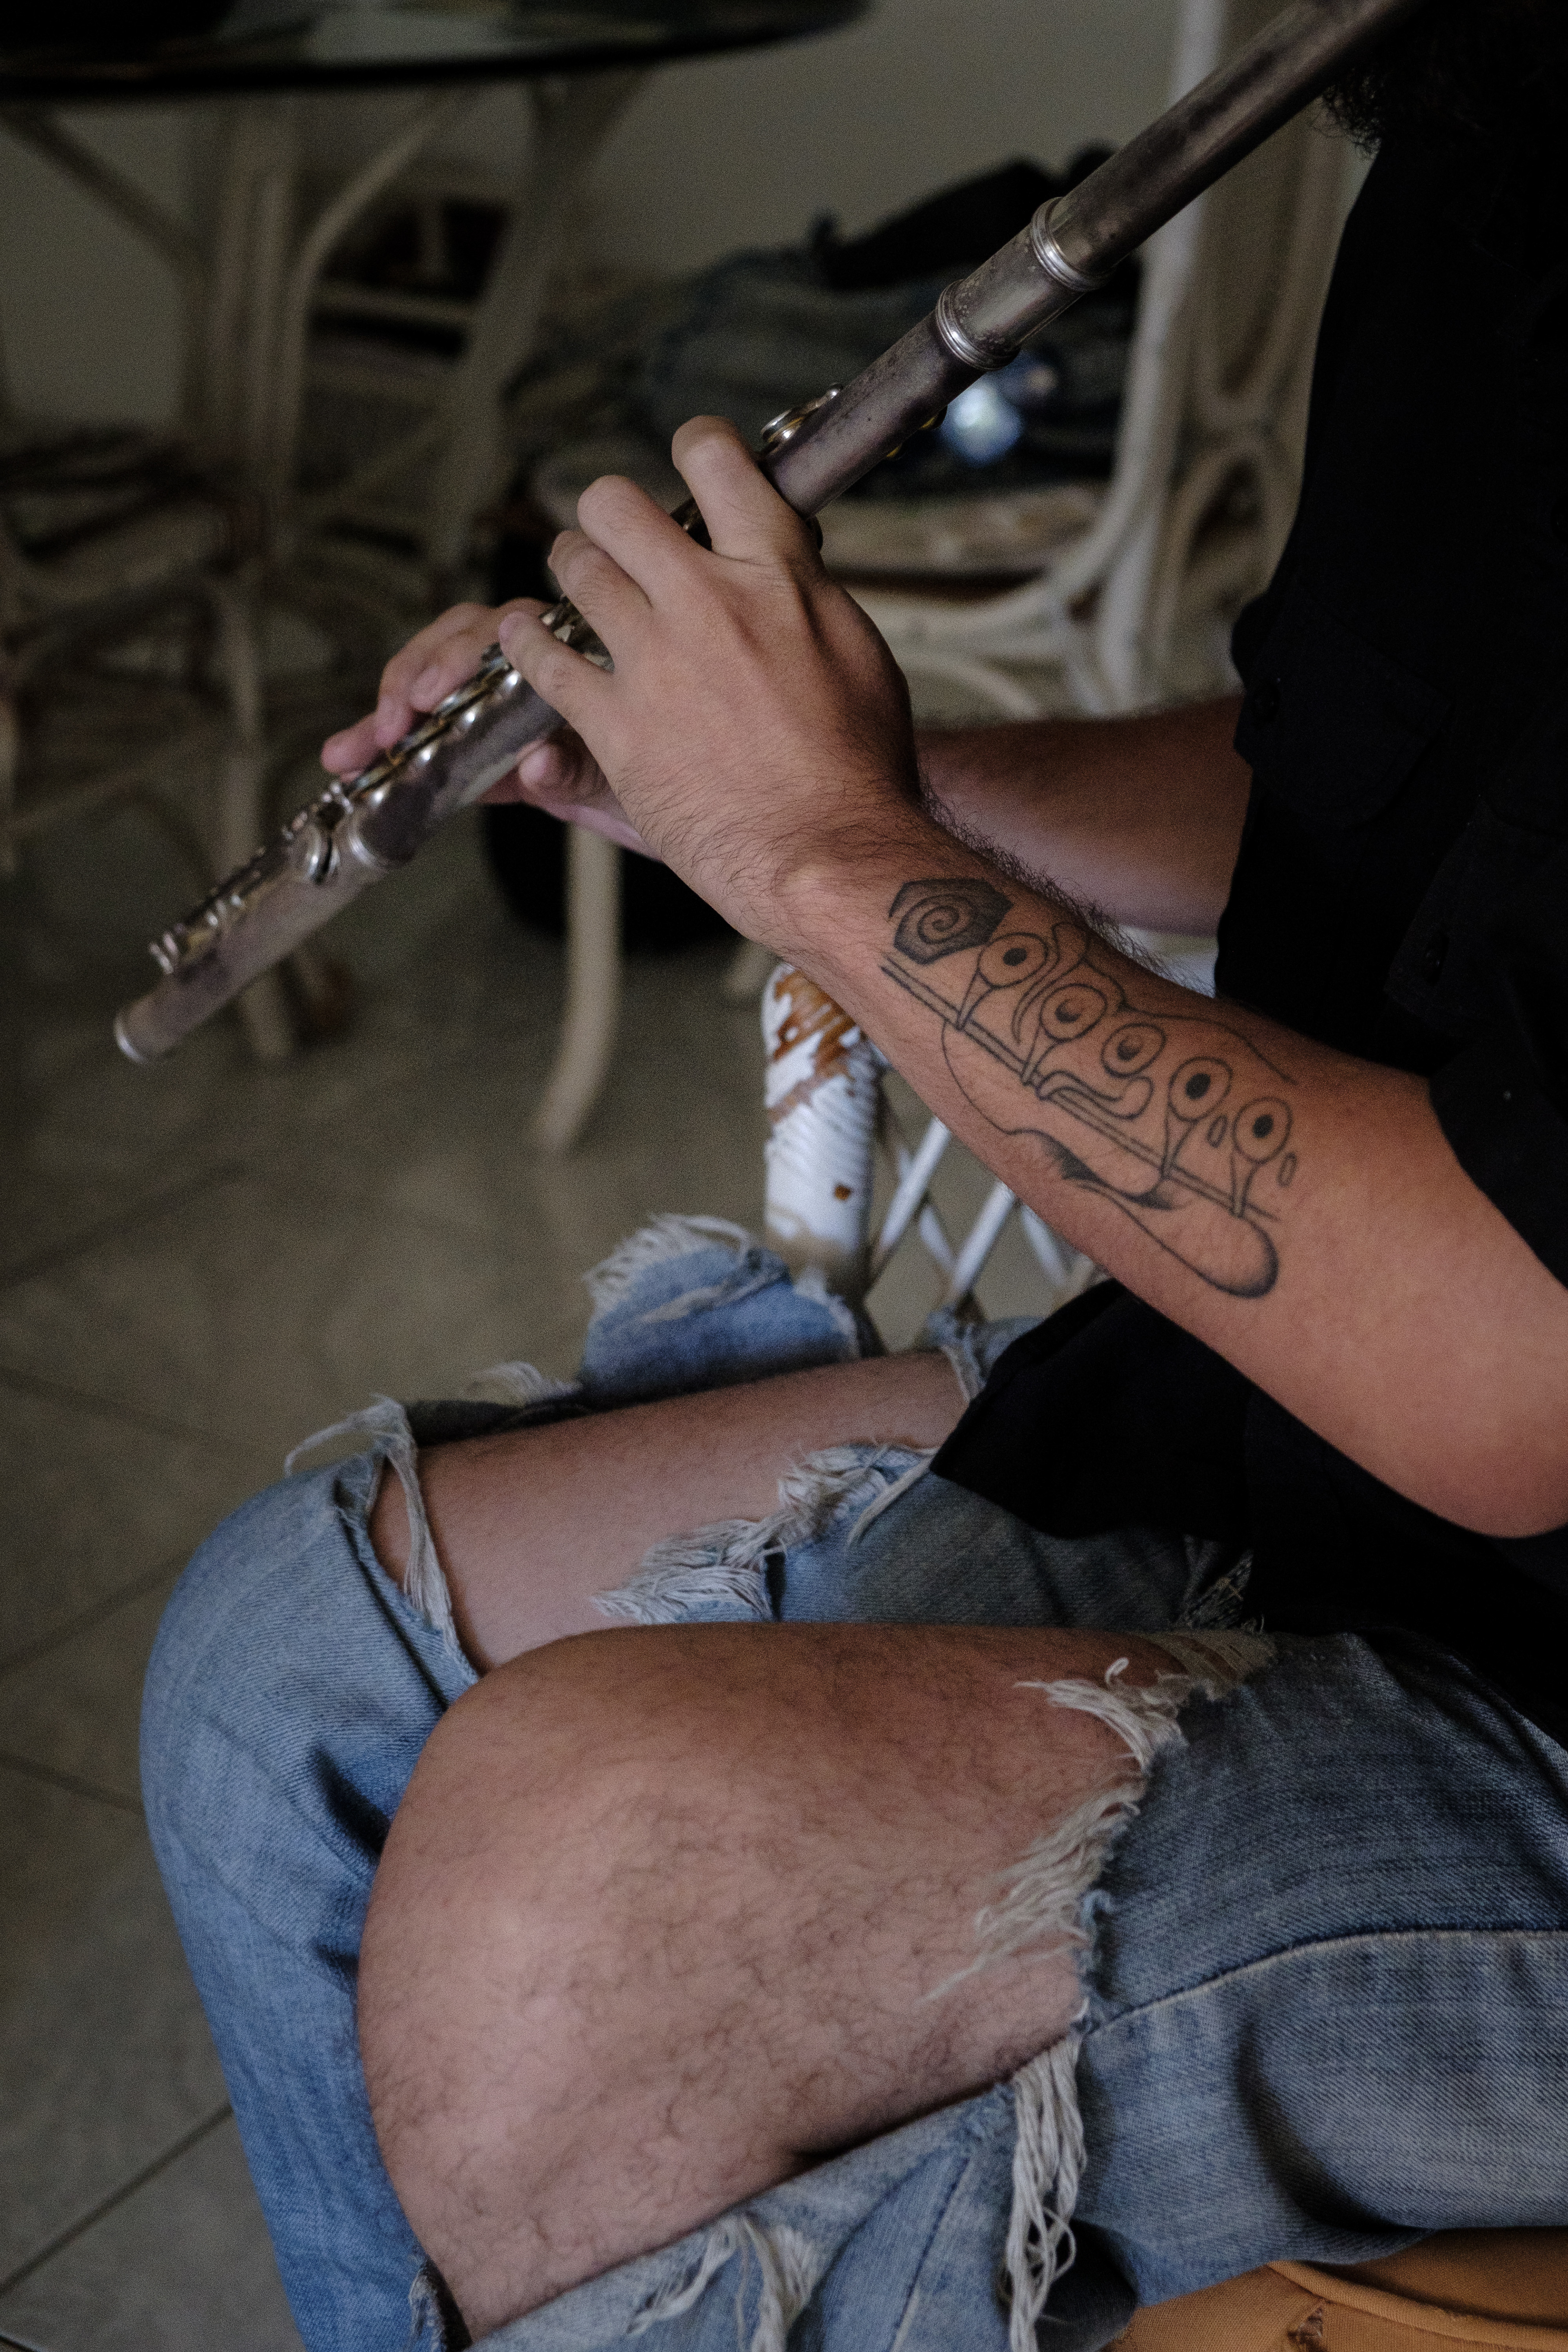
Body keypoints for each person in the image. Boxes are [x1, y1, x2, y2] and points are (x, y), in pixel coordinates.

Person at [141, 6, 1568, 2350]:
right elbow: (1406, 800)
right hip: (1310, 1428)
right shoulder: (1479, 120)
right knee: (275, 1661)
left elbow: (1518, 1358)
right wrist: (819, 791)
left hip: (1508, 1553)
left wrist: (823, 861)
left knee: (577, 1909)